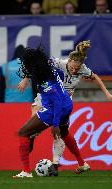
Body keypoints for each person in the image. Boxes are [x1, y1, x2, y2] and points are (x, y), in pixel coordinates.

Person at [18, 40, 112, 167]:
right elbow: (37, 65)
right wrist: (26, 78)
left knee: (59, 133)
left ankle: (55, 163)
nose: (75, 70)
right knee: (35, 126)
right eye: (72, 67)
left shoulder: (83, 69)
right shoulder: (60, 62)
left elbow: (96, 77)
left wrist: (107, 94)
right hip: (47, 97)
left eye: (77, 68)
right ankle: (31, 140)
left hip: (62, 101)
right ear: (68, 61)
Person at [13, 46, 90, 178]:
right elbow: (60, 76)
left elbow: (57, 101)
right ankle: (82, 163)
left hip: (55, 108)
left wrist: (55, 124)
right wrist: (62, 89)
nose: (27, 67)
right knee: (65, 133)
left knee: (23, 132)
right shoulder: (51, 69)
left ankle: (26, 171)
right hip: (67, 104)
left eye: (28, 65)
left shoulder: (43, 80)